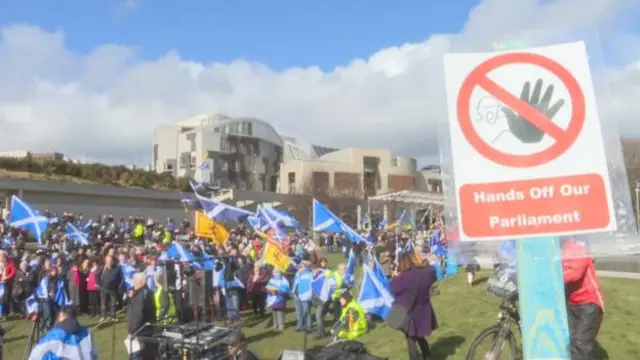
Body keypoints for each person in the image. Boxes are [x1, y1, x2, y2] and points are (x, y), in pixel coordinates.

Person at [562, 238, 604, 360]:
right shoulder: (557, 249)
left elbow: (575, 274)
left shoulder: (578, 246)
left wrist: (551, 275)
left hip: (589, 302)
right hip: (571, 302)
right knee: (569, 341)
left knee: (581, 343)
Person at [390, 255, 438, 360]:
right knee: (419, 334)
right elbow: (433, 274)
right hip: (423, 309)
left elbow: (394, 289)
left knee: (411, 338)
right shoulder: (424, 273)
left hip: (409, 311)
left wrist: (394, 277)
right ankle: (427, 355)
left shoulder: (403, 278)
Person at [28, 307, 97, 360]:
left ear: (61, 316)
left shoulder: (53, 336)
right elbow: (94, 355)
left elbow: (35, 357)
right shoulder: (87, 332)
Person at [127, 272, 157, 360]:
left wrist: (132, 332)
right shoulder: (149, 292)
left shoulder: (139, 296)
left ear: (139, 282)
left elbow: (137, 315)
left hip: (139, 331)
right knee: (147, 354)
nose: (133, 284)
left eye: (134, 281)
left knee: (136, 355)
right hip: (149, 329)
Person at [292, 260, 313, 332]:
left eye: (302, 266)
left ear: (306, 267)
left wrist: (309, 295)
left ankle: (308, 326)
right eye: (300, 266)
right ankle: (299, 325)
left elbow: (311, 285)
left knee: (306, 312)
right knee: (298, 312)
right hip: (297, 295)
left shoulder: (310, 274)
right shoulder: (298, 274)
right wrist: (293, 291)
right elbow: (295, 283)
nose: (300, 267)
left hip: (305, 295)